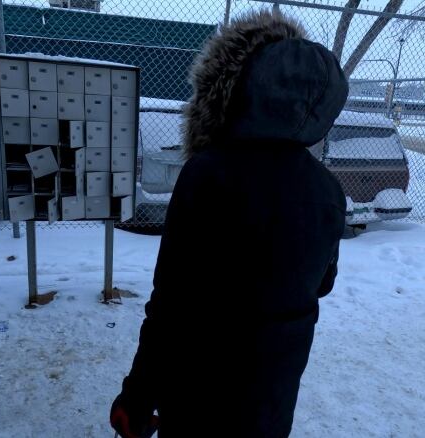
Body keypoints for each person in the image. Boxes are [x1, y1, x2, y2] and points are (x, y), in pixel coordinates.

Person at [110, 10, 348, 438]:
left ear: (243, 89)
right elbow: (322, 283)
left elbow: (172, 302)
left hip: (201, 396)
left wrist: (137, 396)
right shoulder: (327, 190)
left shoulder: (209, 174)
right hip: (273, 398)